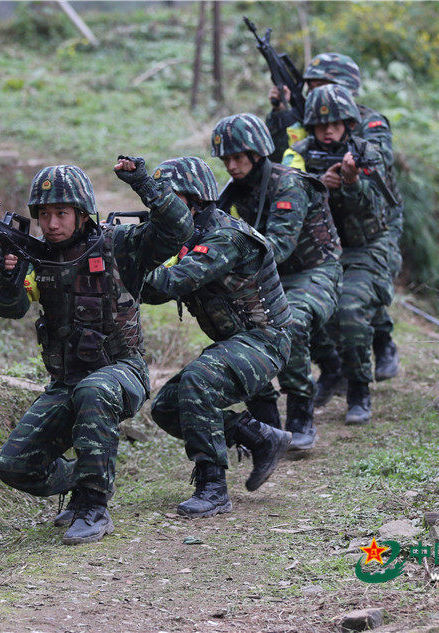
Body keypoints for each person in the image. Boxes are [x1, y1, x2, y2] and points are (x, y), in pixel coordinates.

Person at [0, 159, 193, 544]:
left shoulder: (118, 245)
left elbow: (179, 228)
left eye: (61, 213)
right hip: (67, 383)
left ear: (82, 214)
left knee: (93, 390)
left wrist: (145, 183)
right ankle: (82, 477)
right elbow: (7, 308)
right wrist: (6, 275)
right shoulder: (37, 256)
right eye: (43, 214)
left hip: (121, 372)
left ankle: (94, 507)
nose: (51, 224)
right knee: (13, 467)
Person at [141, 156, 293, 518]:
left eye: (171, 201)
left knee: (198, 381)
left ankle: (213, 487)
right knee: (165, 408)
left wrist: (121, 267)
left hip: (265, 341)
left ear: (195, 202)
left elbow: (171, 283)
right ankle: (259, 436)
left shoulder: (226, 237)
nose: (163, 212)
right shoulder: (186, 238)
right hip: (235, 344)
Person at [266, 53, 403, 396]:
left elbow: (376, 173)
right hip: (327, 231)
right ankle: (335, 368)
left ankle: (381, 342)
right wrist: (282, 115)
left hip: (373, 225)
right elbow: (279, 162)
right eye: (310, 87)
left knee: (359, 295)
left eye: (322, 86)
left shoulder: (369, 125)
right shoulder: (308, 126)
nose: (315, 94)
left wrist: (349, 177)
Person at [210, 113, 343, 451]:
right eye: (226, 159)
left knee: (291, 322)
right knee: (238, 327)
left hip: (315, 270)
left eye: (238, 157)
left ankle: (301, 412)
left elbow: (279, 247)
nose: (231, 166)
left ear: (257, 154)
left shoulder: (288, 184)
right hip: (272, 275)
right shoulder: (238, 188)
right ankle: (266, 421)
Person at [283, 84, 395, 425]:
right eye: (320, 124)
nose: (328, 130)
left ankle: (360, 388)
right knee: (301, 311)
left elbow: (379, 208)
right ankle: (332, 370)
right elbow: (285, 192)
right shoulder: (298, 153)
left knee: (348, 308)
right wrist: (319, 183)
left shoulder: (367, 153)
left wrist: (350, 184)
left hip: (366, 247)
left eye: (335, 123)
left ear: (348, 123)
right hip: (319, 253)